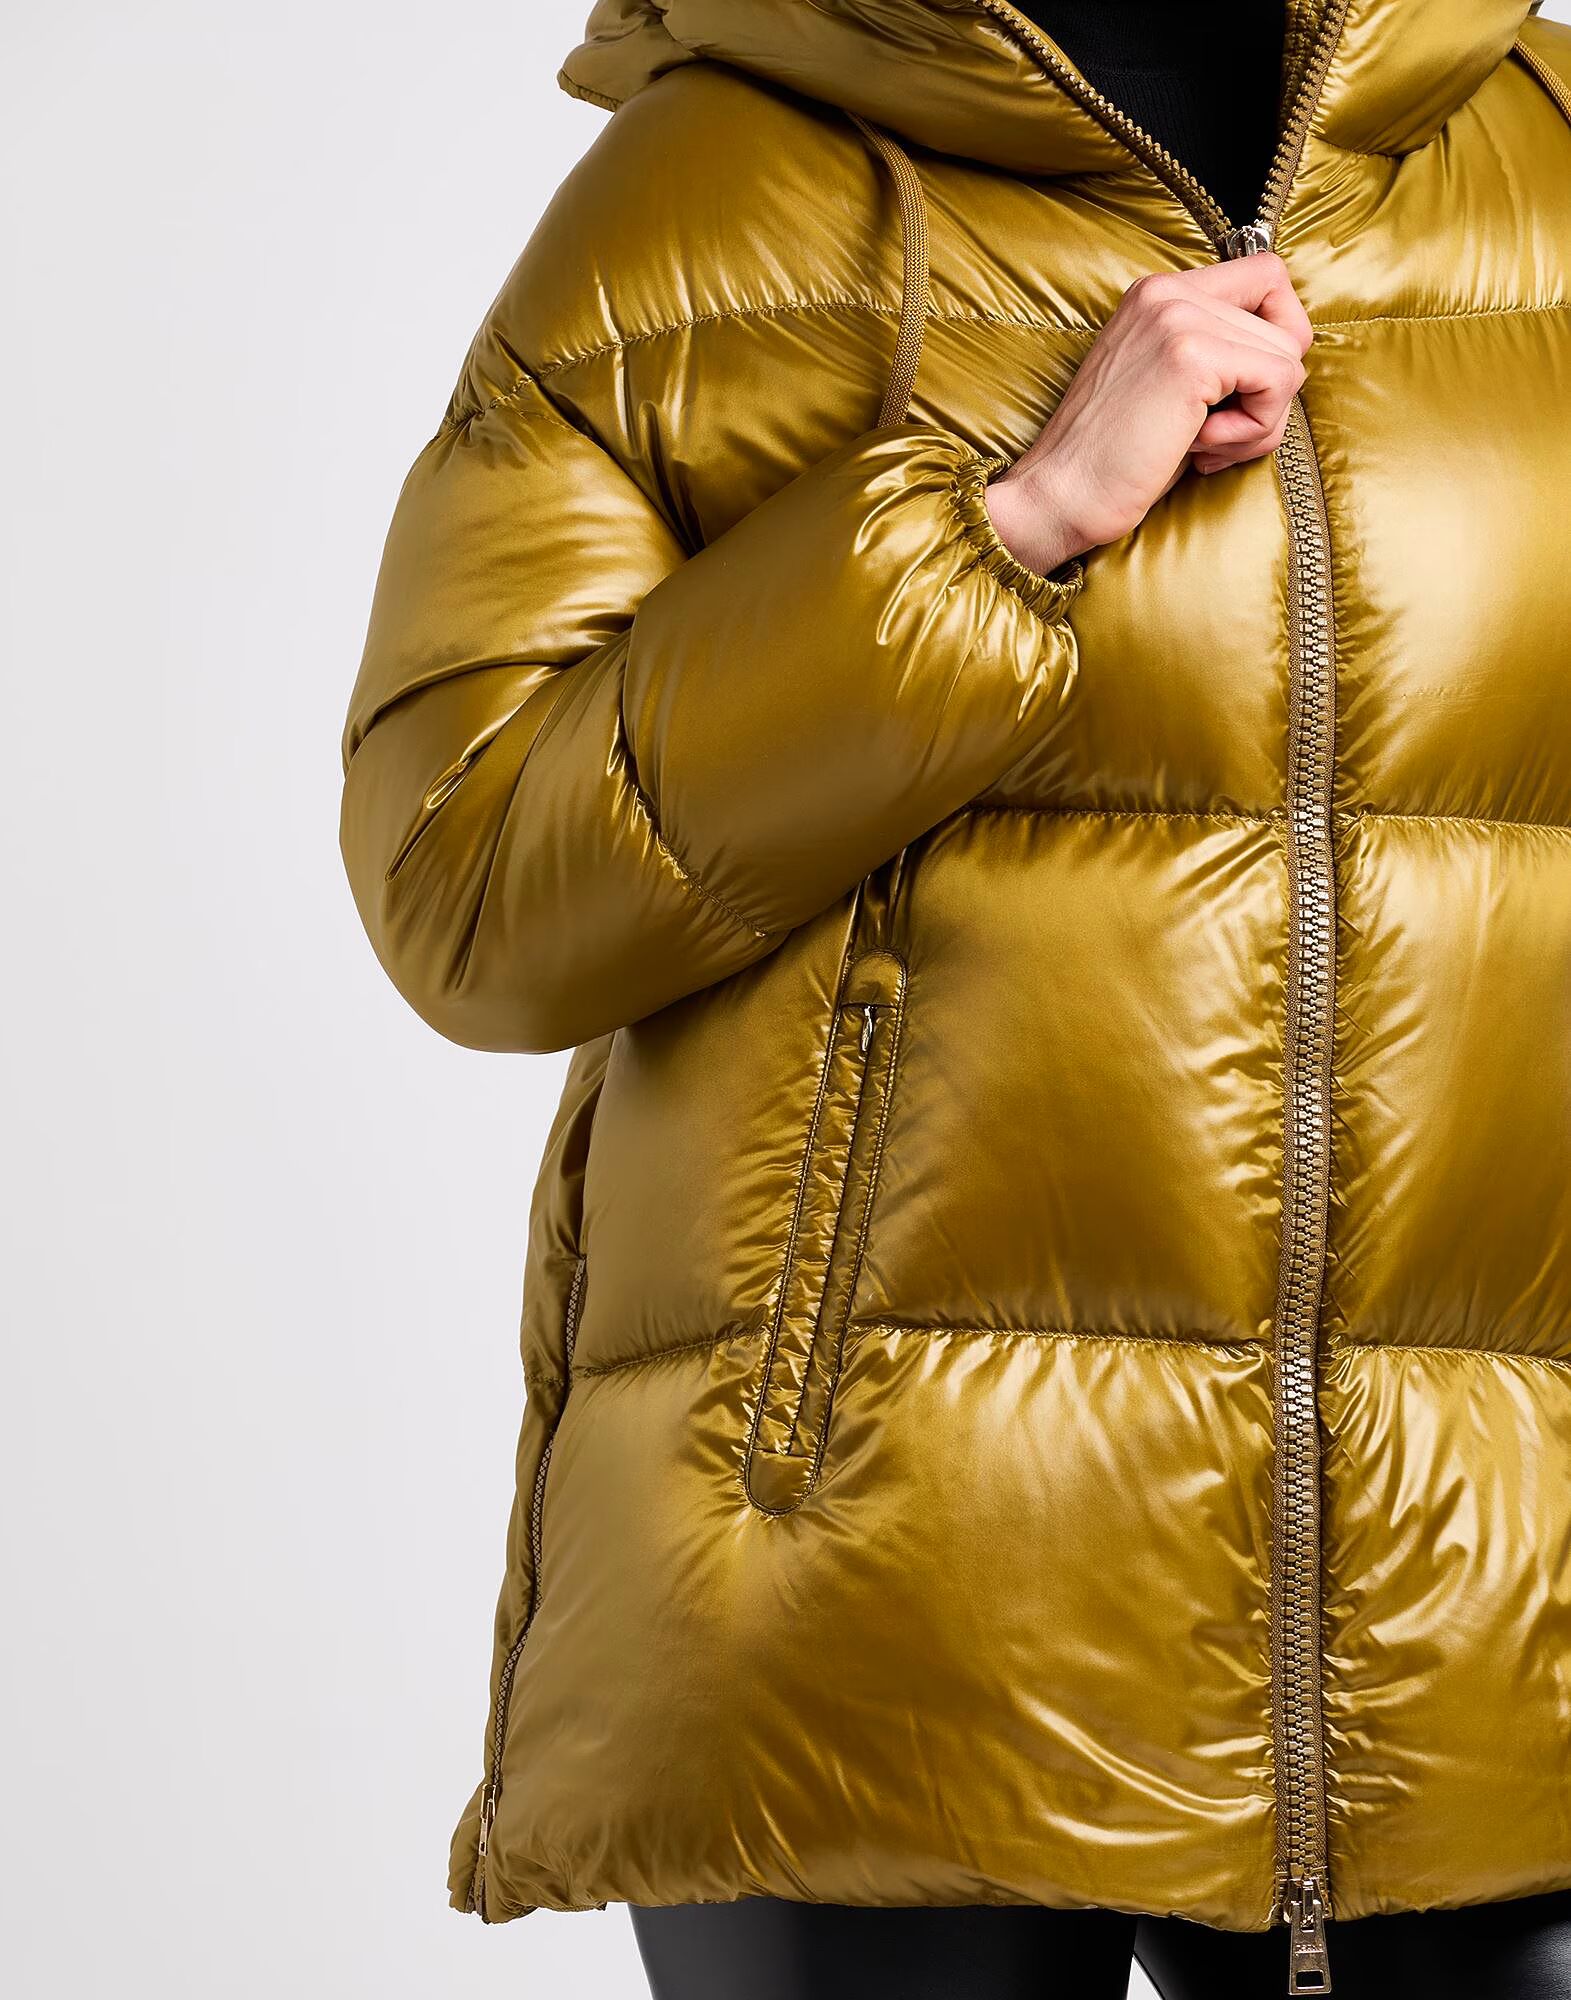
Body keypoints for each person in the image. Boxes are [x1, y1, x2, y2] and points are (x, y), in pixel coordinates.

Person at [338, 1, 1571, 1994]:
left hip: (1477, 1598)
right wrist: (1001, 531)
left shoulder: (1547, 158)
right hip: (876, 1579)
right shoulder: (706, 198)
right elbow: (466, 876)